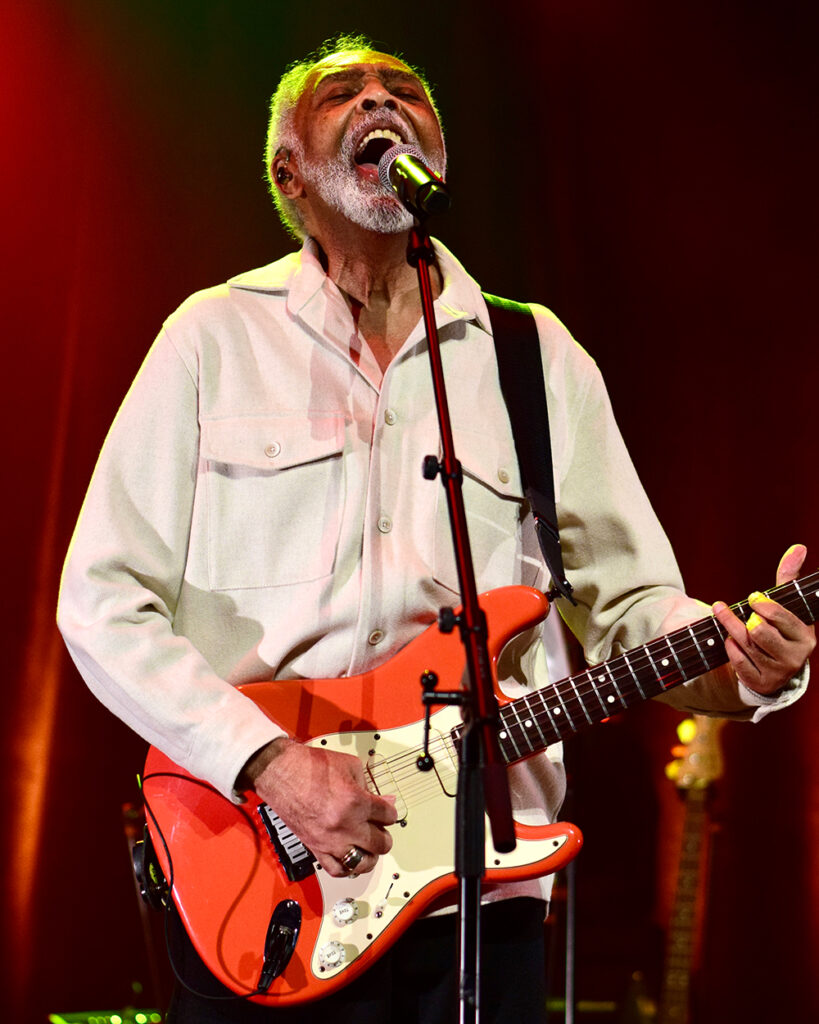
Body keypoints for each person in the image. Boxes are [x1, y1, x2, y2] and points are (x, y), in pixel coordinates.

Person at [57, 33, 814, 1024]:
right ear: (289, 173)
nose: (383, 101)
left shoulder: (534, 357)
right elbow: (101, 602)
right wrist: (268, 763)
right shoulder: (210, 339)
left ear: (436, 153)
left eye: (405, 90)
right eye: (344, 94)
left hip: (484, 885)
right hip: (260, 878)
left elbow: (631, 611)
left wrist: (754, 665)